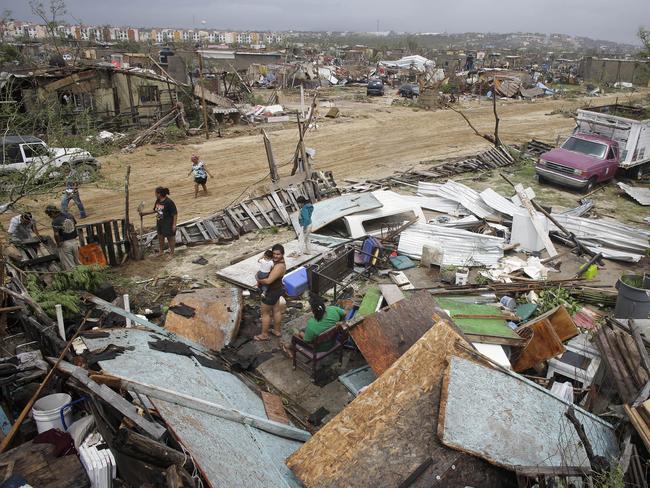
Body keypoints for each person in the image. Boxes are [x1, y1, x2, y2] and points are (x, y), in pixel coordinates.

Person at [254, 243, 287, 341]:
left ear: (282, 254)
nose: (276, 256)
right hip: (276, 290)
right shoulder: (275, 262)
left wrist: (257, 279)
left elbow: (268, 281)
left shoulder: (279, 266)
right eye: (274, 254)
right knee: (276, 310)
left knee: (265, 313)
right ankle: (277, 331)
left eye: (278, 254)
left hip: (271, 292)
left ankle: (264, 335)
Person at [140, 187, 178, 257]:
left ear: (159, 194)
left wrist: (174, 225)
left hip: (168, 223)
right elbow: (155, 210)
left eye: (155, 193)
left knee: (170, 237)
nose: (155, 194)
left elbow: (175, 214)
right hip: (159, 222)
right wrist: (144, 213)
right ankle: (161, 251)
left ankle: (172, 253)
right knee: (160, 237)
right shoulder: (158, 201)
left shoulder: (169, 202)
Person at [45, 204, 79, 270]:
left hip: (65, 243)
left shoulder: (55, 221)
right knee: (77, 261)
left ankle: (75, 278)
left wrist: (58, 243)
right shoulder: (69, 215)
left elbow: (56, 234)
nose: (50, 217)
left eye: (49, 215)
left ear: (52, 213)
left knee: (69, 265)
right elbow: (74, 224)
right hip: (74, 241)